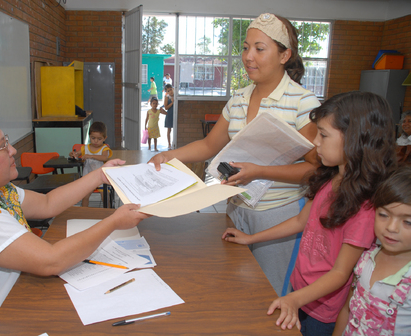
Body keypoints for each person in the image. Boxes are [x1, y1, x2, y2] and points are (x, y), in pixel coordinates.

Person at [0, 110, 148, 335]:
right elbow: (51, 261)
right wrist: (113, 222)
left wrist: (99, 176)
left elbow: (48, 203)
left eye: (7, 141)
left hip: (4, 305)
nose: (13, 150)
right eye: (2, 146)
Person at [150, 13, 320, 295]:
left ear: (284, 55)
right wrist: (169, 156)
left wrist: (260, 171)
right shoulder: (239, 99)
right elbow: (209, 145)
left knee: (270, 291)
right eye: (244, 47)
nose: (248, 56)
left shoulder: (303, 103)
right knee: (236, 285)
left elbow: (316, 168)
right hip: (236, 207)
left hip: (278, 216)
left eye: (259, 48)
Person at [222, 91, 397, 335]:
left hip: (322, 310)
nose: (315, 142)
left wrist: (295, 299)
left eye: (323, 135)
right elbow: (299, 221)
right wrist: (251, 238)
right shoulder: (330, 180)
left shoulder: (365, 207)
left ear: (355, 139)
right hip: (301, 291)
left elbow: (339, 273)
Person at [333, 166, 411, 336]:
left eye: (408, 222)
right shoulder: (366, 256)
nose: (391, 227)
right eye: (383, 215)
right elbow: (347, 309)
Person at [69, 121, 112, 207]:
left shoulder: (104, 148)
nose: (96, 141)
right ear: (89, 136)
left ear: (104, 138)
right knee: (85, 197)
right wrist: (73, 154)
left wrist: (91, 156)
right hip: (88, 179)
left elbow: (105, 158)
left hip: (101, 179)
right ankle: (84, 213)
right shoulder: (85, 148)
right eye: (93, 138)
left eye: (99, 139)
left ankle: (108, 213)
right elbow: (77, 153)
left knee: (105, 197)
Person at [164, 84, 174, 149]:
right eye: (168, 90)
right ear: (167, 92)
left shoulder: (176, 96)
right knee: (169, 130)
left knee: (176, 129)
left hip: (175, 114)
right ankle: (169, 143)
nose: (170, 91)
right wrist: (172, 103)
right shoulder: (167, 97)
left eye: (171, 89)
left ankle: (174, 142)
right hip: (170, 115)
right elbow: (166, 107)